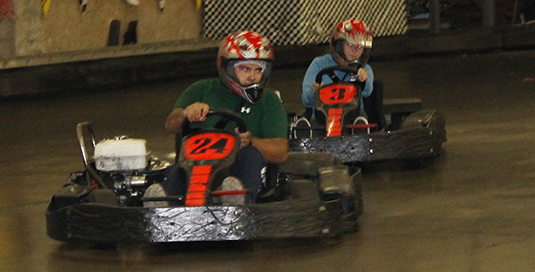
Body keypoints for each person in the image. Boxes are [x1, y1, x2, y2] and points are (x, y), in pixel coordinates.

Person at [159, 30, 288, 202]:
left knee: (250, 155)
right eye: (245, 68)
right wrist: (186, 113)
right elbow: (170, 124)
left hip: (240, 169)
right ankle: (164, 204)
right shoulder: (201, 90)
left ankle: (235, 200)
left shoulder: (269, 100)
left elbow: (281, 152)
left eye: (258, 70)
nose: (253, 77)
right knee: (179, 167)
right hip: (199, 166)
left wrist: (249, 142)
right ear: (225, 66)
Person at [300, 18, 385, 130]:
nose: (355, 51)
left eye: (359, 47)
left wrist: (362, 79)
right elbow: (306, 99)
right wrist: (315, 92)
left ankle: (360, 130)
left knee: (359, 117)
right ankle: (306, 132)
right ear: (339, 46)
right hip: (323, 118)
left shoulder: (364, 69)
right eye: (350, 45)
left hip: (352, 117)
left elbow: (367, 91)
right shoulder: (319, 64)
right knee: (315, 124)